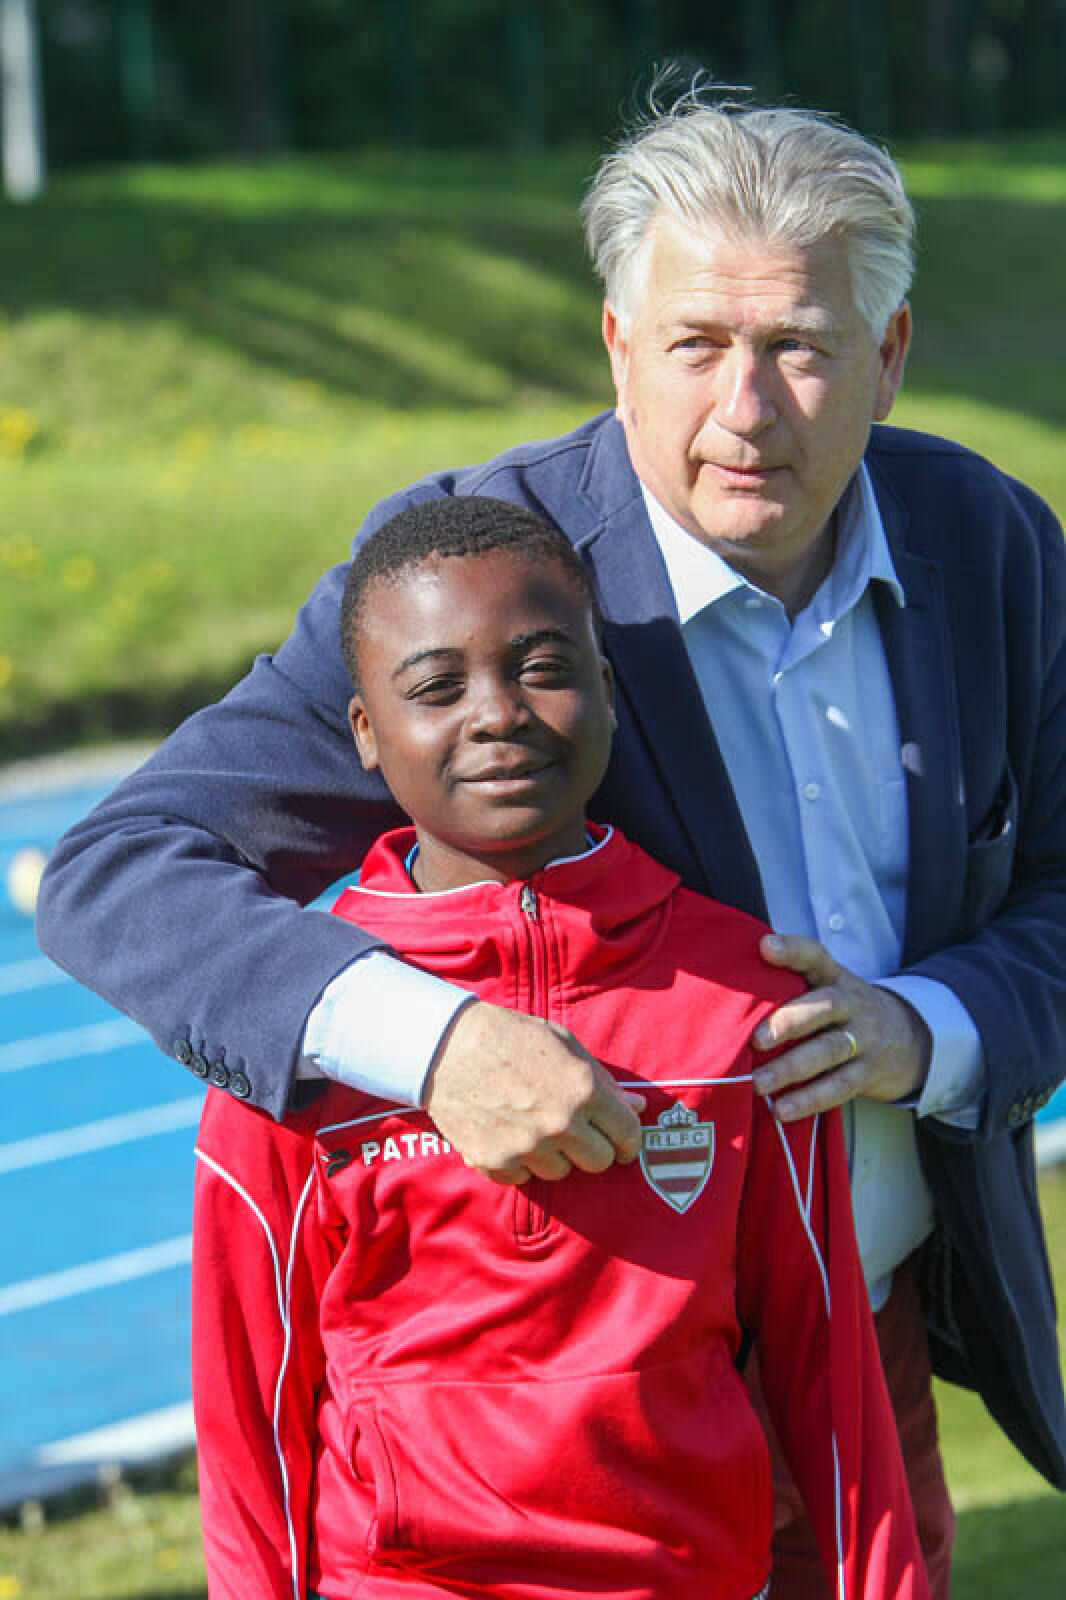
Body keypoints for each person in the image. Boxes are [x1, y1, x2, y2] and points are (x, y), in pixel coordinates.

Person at [36, 76, 1066, 1597]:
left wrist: (931, 1026)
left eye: (798, 347)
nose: (746, 410)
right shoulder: (481, 584)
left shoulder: (986, 541)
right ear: (616, 346)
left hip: (866, 1353)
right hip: (546, 1442)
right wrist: (435, 1045)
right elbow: (124, 871)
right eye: (696, 345)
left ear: (890, 355)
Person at [192, 495, 929, 1600]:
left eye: (541, 669)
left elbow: (826, 1369)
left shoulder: (743, 1002)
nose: (497, 714)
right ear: (363, 732)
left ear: (609, 692)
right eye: (436, 687)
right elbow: (252, 1404)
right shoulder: (302, 1032)